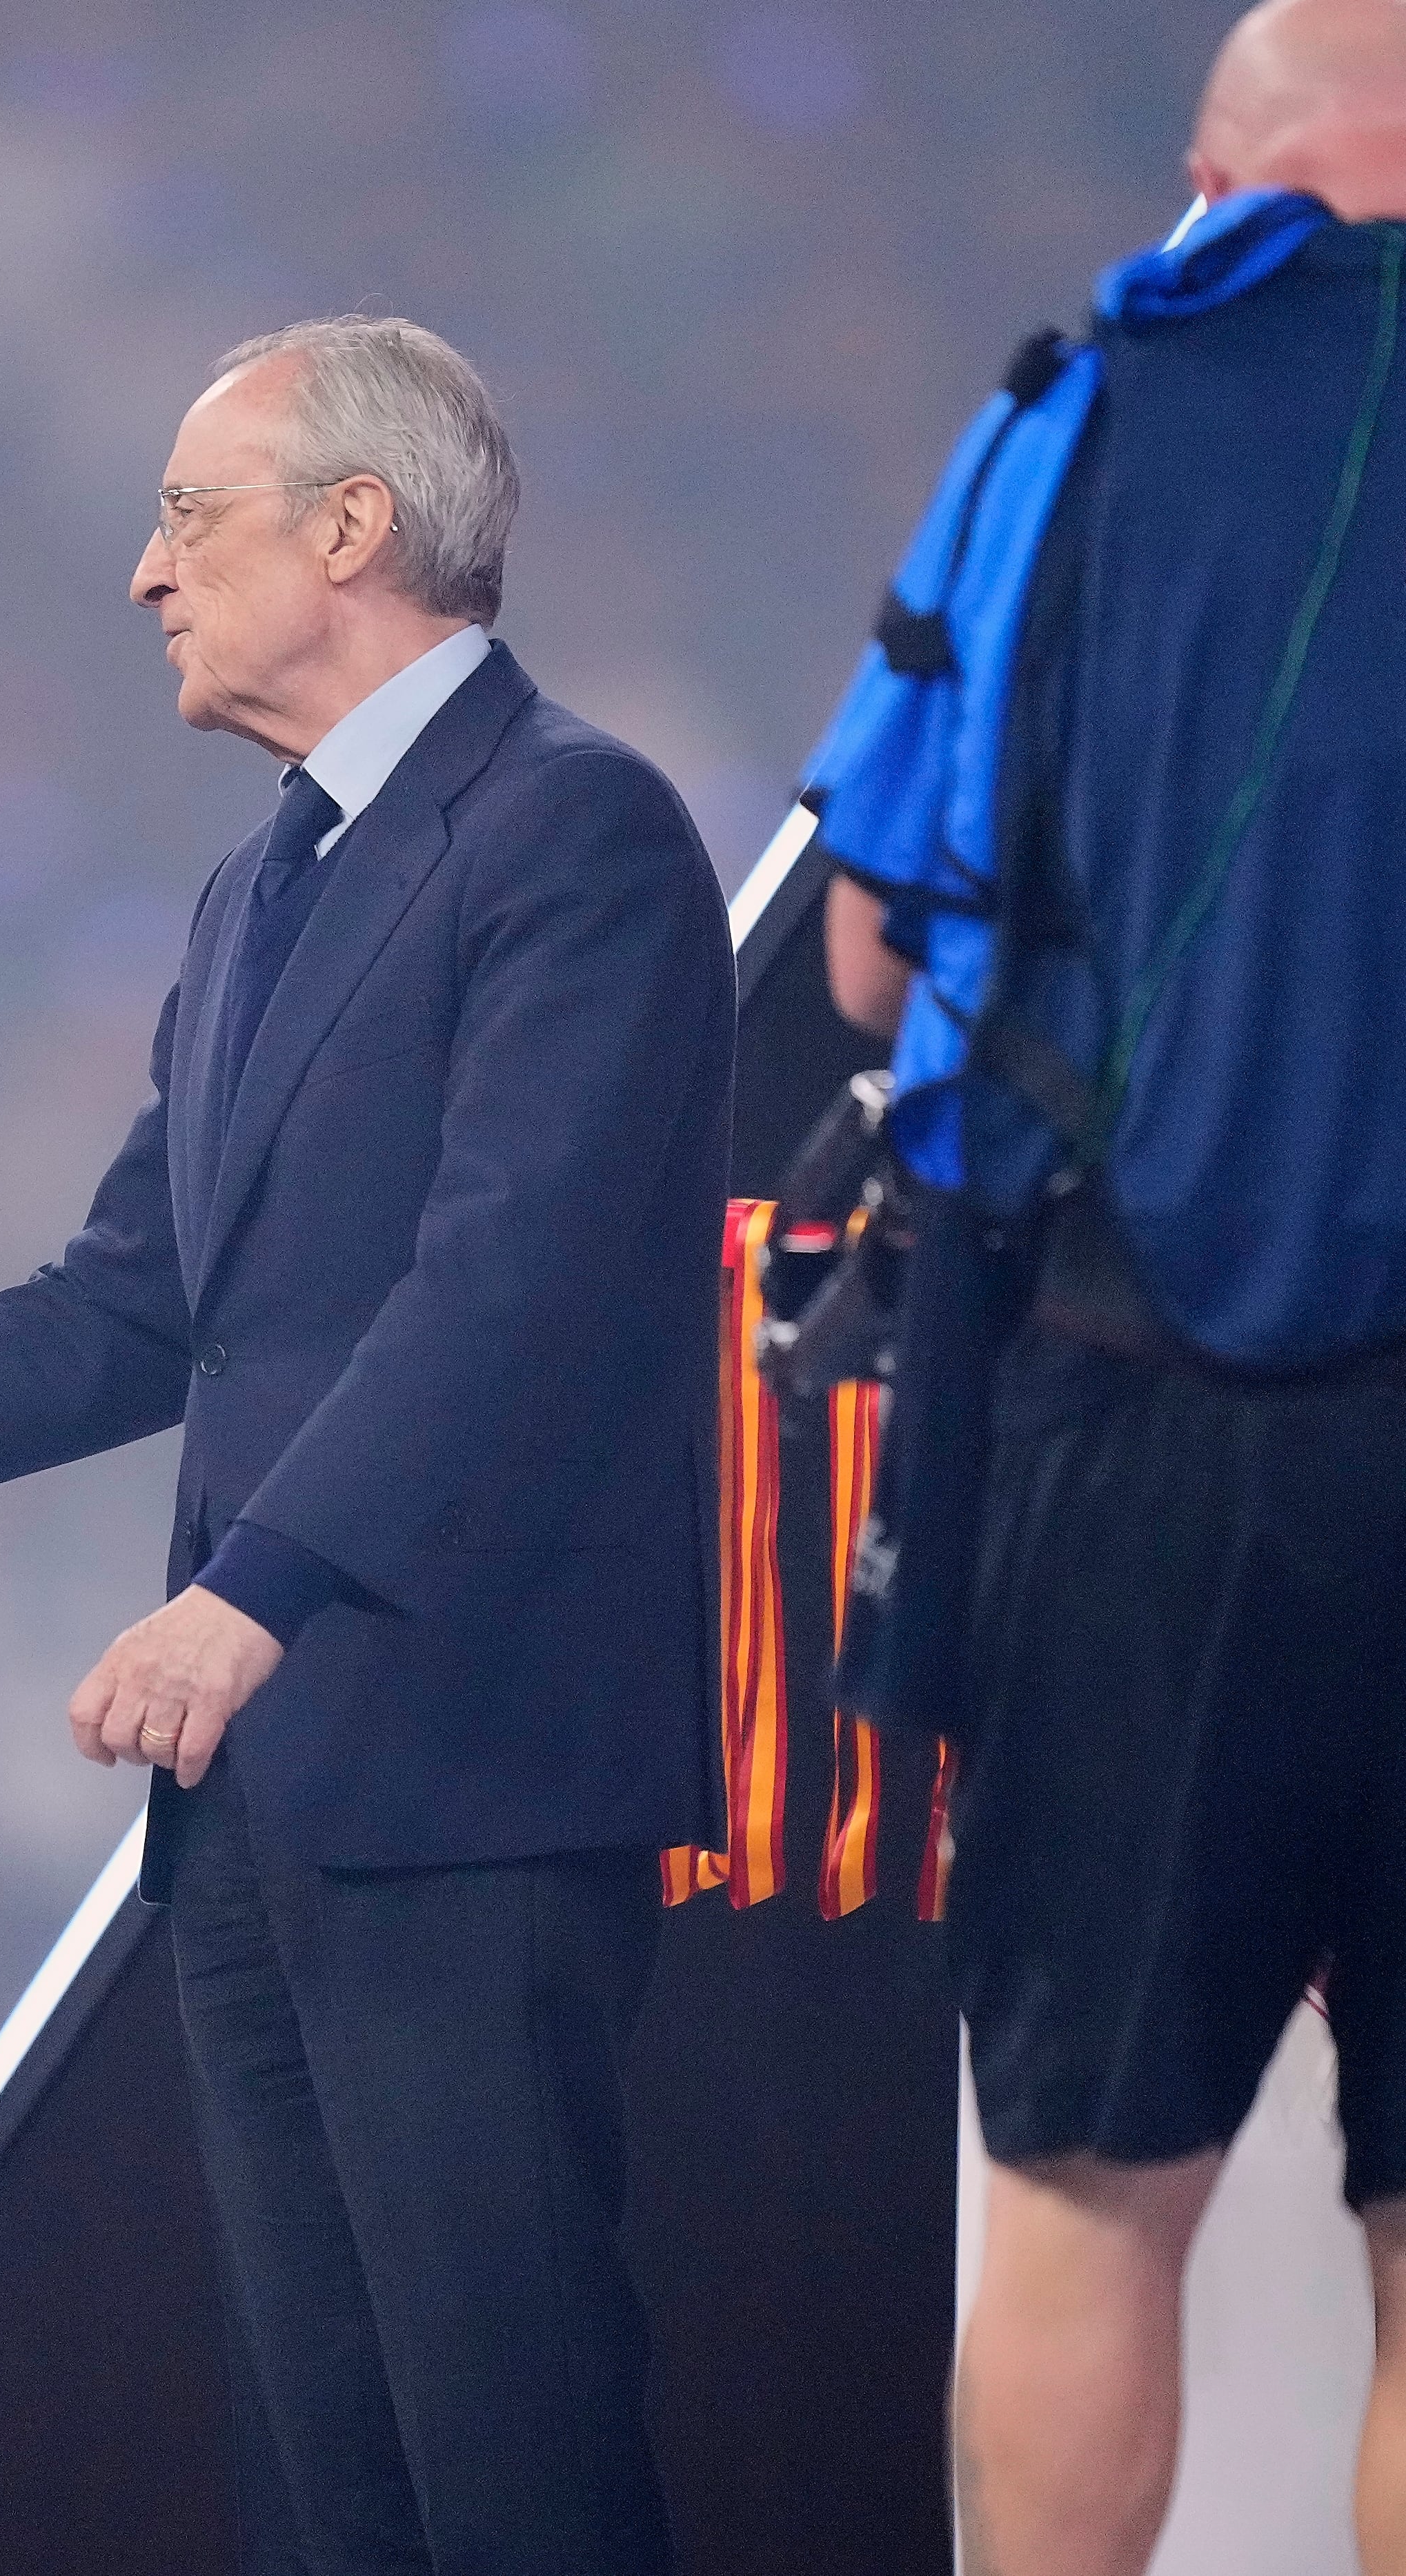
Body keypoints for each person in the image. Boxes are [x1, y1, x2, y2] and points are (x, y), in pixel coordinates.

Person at [0, 317, 730, 2574]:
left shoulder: (571, 831)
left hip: (462, 1783)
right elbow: (136, 1305)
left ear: (354, 527)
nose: (142, 572)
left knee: (509, 2464)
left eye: (186, 515)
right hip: (258, 1808)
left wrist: (251, 1594)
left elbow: (511, 1288)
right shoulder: (255, 894)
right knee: (332, 2480)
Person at [822, 4, 1406, 2568]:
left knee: (1082, 2193)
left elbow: (869, 950)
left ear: (1226, 169)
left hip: (1128, 1405)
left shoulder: (1069, 419)